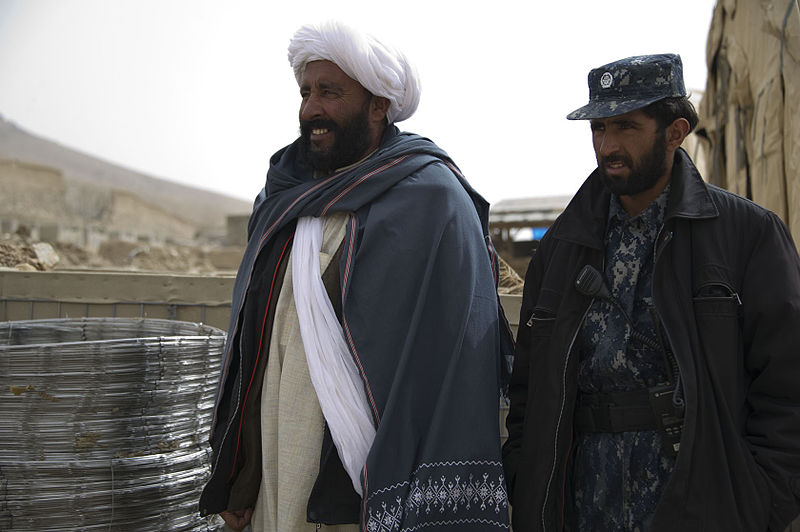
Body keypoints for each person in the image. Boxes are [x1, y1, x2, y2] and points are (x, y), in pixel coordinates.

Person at [198, 21, 514, 532]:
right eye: (306, 92)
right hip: (279, 467)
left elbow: (455, 355)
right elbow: (253, 346)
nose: (311, 109)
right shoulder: (286, 200)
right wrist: (241, 472)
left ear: (377, 105)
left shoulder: (433, 201)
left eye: (330, 92)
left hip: (370, 477)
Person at [502, 53, 800, 531]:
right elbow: (527, 390)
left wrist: (760, 500)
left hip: (698, 504)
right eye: (599, 129)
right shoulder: (561, 248)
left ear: (676, 132)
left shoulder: (747, 236)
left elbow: (787, 386)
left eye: (626, 127)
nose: (608, 145)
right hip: (580, 505)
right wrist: (527, 478)